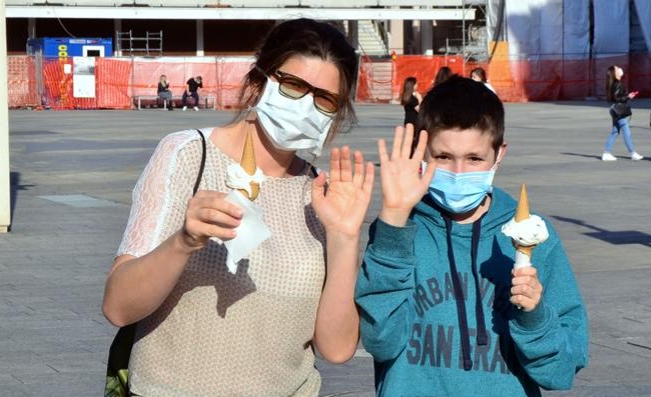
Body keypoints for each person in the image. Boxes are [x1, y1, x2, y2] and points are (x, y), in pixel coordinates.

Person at [102, 19, 373, 396]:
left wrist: (345, 238)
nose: (306, 105)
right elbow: (118, 306)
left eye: (325, 98)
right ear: (259, 81)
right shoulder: (187, 154)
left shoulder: (324, 195)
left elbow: (337, 347)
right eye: (294, 85)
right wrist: (183, 241)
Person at [355, 76, 588, 396]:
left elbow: (560, 374)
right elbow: (381, 341)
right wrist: (393, 223)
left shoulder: (535, 237)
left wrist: (534, 316)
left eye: (475, 158)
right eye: (443, 157)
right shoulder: (399, 230)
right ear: (422, 154)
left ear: (499, 154)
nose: (459, 173)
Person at [602, 65, 643, 161]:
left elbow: (615, 97)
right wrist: (628, 96)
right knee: (626, 131)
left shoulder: (615, 83)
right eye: (617, 68)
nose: (620, 69)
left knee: (615, 132)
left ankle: (606, 153)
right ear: (615, 73)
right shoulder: (617, 84)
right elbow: (616, 98)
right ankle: (632, 152)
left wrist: (628, 96)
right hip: (618, 111)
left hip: (615, 110)